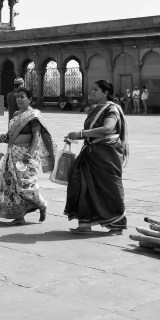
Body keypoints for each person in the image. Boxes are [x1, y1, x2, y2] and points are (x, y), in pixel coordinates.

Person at [65, 80, 128, 234]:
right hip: (91, 152)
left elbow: (107, 129)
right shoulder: (94, 108)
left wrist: (81, 134)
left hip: (106, 155)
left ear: (105, 93)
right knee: (82, 186)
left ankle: (117, 224)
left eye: (95, 90)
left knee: (108, 189)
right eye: (92, 89)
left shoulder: (111, 109)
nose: (91, 92)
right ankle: (85, 223)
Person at [0, 87, 55, 225]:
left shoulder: (33, 115)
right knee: (12, 186)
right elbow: (11, 134)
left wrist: (29, 153)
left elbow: (36, 135)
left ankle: (41, 203)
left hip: (26, 155)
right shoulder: (16, 114)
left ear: (30, 99)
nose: (19, 99)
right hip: (13, 152)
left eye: (22, 97)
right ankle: (19, 217)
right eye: (17, 97)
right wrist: (4, 137)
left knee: (26, 185)